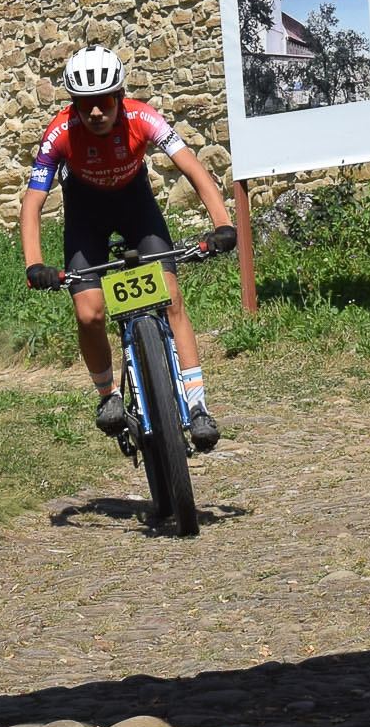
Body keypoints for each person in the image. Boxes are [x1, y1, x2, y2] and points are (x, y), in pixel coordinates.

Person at [20, 46, 227, 451]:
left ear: (119, 97)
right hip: (86, 215)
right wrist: (35, 264)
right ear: (74, 106)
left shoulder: (142, 117)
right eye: (85, 105)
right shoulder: (59, 132)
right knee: (89, 313)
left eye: (105, 102)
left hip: (136, 207)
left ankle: (198, 406)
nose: (96, 112)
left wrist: (222, 224)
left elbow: (192, 168)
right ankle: (108, 396)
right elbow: (32, 203)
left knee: (170, 297)